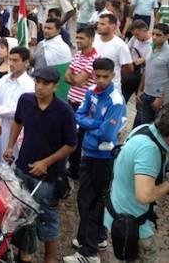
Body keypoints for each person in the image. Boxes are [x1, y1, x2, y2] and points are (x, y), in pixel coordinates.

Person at [4, 66, 77, 263]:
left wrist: (46, 162)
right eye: (37, 82)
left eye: (45, 83)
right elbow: (17, 122)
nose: (40, 87)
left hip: (49, 177)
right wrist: (10, 147)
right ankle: (23, 254)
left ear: (55, 86)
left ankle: (49, 259)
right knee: (20, 214)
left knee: (48, 220)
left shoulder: (65, 111)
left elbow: (71, 144)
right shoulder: (25, 100)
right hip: (22, 168)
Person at [63, 58, 126, 263]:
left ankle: (89, 253)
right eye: (97, 76)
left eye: (105, 77)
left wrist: (90, 124)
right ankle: (95, 238)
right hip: (88, 153)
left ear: (112, 75)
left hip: (103, 158)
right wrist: (96, 123)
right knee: (89, 199)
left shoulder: (116, 101)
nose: (100, 80)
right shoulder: (90, 91)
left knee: (91, 201)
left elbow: (108, 133)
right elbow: (77, 115)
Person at [104, 107, 169, 263]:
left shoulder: (145, 129)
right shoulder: (150, 150)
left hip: (116, 216)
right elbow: (144, 195)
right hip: (133, 228)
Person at [0, 46, 34, 167]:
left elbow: (18, 112)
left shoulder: (29, 85)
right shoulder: (4, 79)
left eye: (16, 60)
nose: (12, 63)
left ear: (26, 63)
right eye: (10, 60)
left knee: (11, 163)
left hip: (15, 129)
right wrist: (0, 109)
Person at [65, 25, 99, 180]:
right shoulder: (78, 54)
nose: (77, 40)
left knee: (77, 138)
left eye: (81, 38)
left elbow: (77, 80)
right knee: (68, 134)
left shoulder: (95, 59)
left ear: (91, 39)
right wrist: (75, 79)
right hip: (71, 99)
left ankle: (75, 170)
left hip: (83, 105)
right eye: (77, 37)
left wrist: (74, 78)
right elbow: (67, 77)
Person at [135, 23, 169, 127]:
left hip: (159, 99)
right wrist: (140, 90)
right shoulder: (151, 49)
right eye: (153, 34)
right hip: (146, 95)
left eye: (158, 35)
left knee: (157, 129)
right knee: (144, 126)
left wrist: (161, 98)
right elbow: (147, 70)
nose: (154, 37)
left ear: (167, 36)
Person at [33, 18, 72, 100]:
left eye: (49, 28)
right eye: (45, 28)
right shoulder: (41, 44)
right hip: (38, 84)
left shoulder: (63, 48)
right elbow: (35, 62)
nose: (46, 31)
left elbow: (62, 73)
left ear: (58, 30)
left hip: (52, 88)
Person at [94, 14, 133, 90]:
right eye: (98, 23)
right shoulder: (94, 39)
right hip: (94, 88)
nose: (98, 26)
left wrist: (115, 76)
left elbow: (129, 68)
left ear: (112, 26)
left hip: (111, 89)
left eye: (102, 24)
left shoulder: (120, 45)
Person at [123, 19, 152, 102]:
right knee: (123, 98)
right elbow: (126, 49)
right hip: (132, 74)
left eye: (137, 34)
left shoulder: (152, 42)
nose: (136, 37)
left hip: (144, 76)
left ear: (145, 30)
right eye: (134, 35)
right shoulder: (134, 38)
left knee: (140, 102)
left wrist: (145, 60)